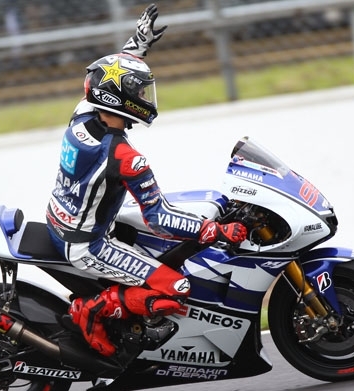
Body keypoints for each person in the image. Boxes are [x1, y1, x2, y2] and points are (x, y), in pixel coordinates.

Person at [46, 4, 247, 357]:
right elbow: (160, 217)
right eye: (138, 93)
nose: (145, 99)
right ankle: (92, 311)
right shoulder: (125, 157)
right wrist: (216, 231)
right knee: (176, 287)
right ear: (118, 98)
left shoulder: (83, 116)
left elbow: (104, 80)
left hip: (62, 218)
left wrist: (138, 44)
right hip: (88, 243)